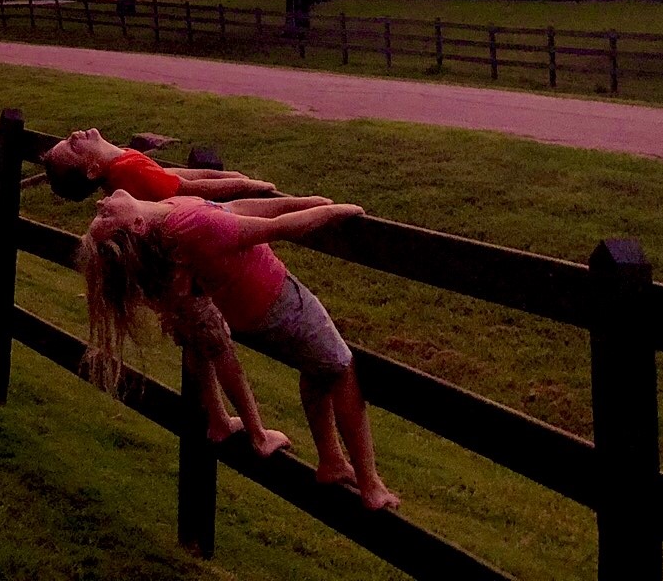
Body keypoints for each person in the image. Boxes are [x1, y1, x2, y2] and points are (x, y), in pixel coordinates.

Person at [77, 189, 399, 511]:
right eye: (105, 217)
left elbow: (235, 207)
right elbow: (281, 228)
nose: (99, 204)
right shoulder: (193, 225)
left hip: (253, 304)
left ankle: (331, 462)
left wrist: (305, 201)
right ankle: (370, 485)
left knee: (318, 368)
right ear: (136, 224)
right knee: (341, 369)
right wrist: (339, 209)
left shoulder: (169, 215)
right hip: (276, 300)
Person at [41, 127, 276, 203]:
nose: (72, 136)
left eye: (65, 139)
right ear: (92, 170)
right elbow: (189, 189)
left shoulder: (123, 160)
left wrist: (225, 175)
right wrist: (245, 185)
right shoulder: (128, 172)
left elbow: (171, 174)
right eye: (72, 147)